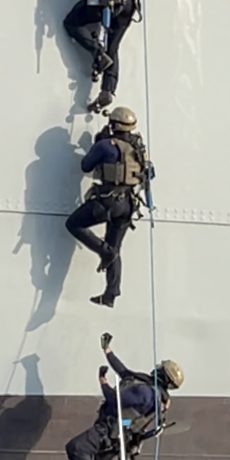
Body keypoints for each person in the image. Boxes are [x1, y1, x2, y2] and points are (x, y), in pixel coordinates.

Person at [66, 332, 184, 460]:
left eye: (159, 369)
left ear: (163, 375)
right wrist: (107, 350)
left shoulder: (146, 393)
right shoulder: (149, 389)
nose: (155, 368)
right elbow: (125, 372)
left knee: (76, 448)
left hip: (110, 431)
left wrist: (102, 380)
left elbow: (113, 399)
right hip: (121, 435)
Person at [65, 106, 148, 308]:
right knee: (116, 247)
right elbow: (147, 173)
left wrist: (98, 144)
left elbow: (86, 166)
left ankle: (104, 252)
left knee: (74, 224)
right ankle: (111, 293)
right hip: (129, 204)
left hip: (108, 201)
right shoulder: (139, 149)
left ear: (113, 124)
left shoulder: (105, 145)